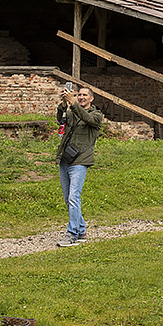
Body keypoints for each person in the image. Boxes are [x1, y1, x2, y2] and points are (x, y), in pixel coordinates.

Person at [57, 85, 105, 247]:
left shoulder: (97, 115)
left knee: (73, 197)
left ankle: (72, 234)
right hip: (65, 158)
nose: (81, 97)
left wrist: (73, 104)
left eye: (85, 95)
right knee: (68, 199)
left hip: (80, 161)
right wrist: (64, 105)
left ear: (92, 98)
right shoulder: (72, 112)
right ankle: (82, 230)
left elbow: (87, 118)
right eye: (79, 95)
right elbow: (61, 120)